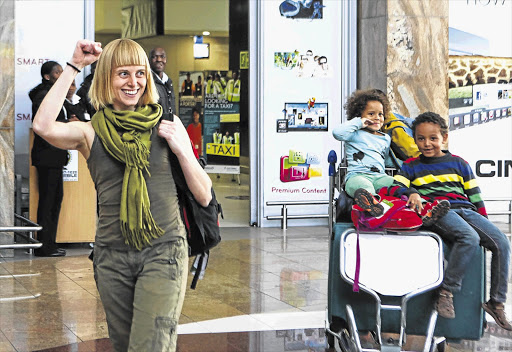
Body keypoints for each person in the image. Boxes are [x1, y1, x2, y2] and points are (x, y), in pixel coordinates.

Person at [32, 39, 213, 351]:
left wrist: (183, 151)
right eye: (123, 74)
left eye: (140, 73)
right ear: (106, 79)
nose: (134, 83)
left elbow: (205, 195)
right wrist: (75, 64)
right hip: (112, 255)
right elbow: (43, 125)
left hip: (163, 251)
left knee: (150, 345)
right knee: (124, 345)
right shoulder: (91, 131)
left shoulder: (167, 124)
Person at [390, 111, 512, 330]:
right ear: (415, 140)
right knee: (468, 237)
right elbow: (395, 187)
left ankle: (497, 302)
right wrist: (411, 193)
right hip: (437, 210)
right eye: (421, 138)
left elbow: (475, 195)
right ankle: (446, 292)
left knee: (502, 243)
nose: (427, 143)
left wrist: (484, 221)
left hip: (466, 210)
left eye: (433, 138)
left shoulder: (460, 163)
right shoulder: (410, 165)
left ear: (444, 138)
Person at [332, 89, 449, 224]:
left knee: (398, 186)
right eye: (371, 114)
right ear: (359, 116)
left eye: (381, 114)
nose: (377, 118)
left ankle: (426, 209)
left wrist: (409, 165)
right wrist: (359, 122)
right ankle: (371, 203)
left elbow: (387, 160)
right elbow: (337, 133)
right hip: (357, 175)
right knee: (361, 186)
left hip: (379, 176)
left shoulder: (385, 138)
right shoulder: (354, 134)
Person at [29, 60, 67, 257]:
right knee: (48, 200)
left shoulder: (53, 94)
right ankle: (44, 246)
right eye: (58, 72)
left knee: (55, 199)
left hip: (54, 156)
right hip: (48, 156)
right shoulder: (44, 96)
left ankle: (50, 243)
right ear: (47, 76)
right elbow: (48, 123)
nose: (61, 75)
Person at [149, 46, 176, 119]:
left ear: (166, 60)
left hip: (169, 127)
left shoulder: (168, 82)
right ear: (149, 61)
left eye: (162, 56)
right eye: (154, 57)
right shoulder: (147, 82)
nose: (159, 60)